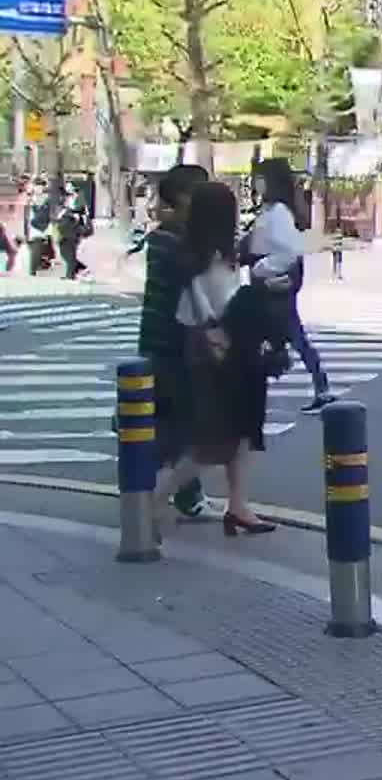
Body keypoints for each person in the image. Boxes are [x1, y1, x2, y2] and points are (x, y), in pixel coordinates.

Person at [154, 181, 278, 536]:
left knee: (239, 433)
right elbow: (215, 306)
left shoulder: (207, 252)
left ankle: (238, 506)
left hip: (219, 346)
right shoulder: (205, 256)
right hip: (217, 350)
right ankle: (151, 503)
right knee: (213, 439)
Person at [139, 164, 212, 520]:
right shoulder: (173, 243)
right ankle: (154, 488)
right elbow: (199, 293)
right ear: (183, 200)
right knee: (182, 419)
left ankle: (181, 490)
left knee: (173, 417)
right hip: (173, 343)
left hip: (164, 341)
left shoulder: (166, 239)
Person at [248, 158, 332, 412]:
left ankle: (322, 389)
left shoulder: (279, 213)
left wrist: (260, 268)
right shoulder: (271, 211)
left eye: (260, 178)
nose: (255, 183)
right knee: (287, 339)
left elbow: (289, 252)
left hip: (275, 287)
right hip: (270, 287)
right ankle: (321, 388)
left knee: (284, 338)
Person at [55, 182, 90, 280]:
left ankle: (71, 274)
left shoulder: (78, 200)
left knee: (69, 254)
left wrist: (72, 213)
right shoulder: (68, 201)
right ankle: (80, 269)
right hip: (65, 231)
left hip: (72, 232)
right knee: (65, 253)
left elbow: (80, 213)